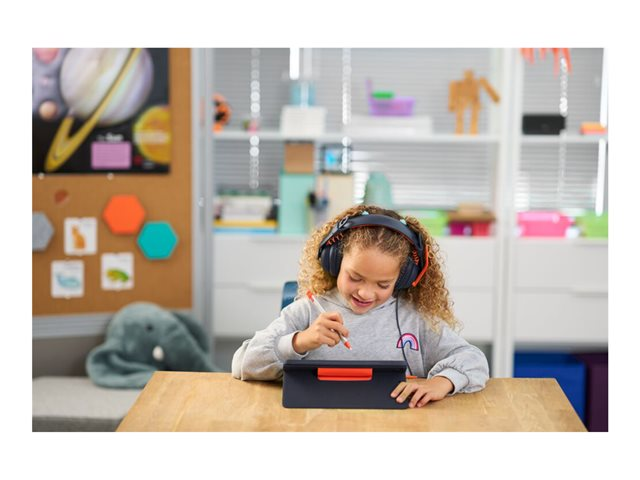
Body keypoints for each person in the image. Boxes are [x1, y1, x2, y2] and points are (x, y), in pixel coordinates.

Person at [231, 204, 489, 408]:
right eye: (355, 277)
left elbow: (474, 360)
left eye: (383, 284)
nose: (365, 292)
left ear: (403, 279)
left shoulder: (414, 319)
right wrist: (300, 341)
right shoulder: (308, 310)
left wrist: (442, 382)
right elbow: (242, 363)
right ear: (335, 262)